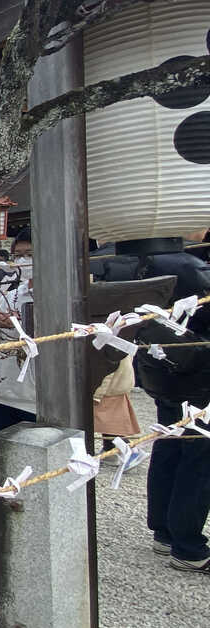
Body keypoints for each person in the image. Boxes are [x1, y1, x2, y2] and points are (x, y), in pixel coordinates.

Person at [121, 241, 210, 573]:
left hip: (162, 370)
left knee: (170, 445)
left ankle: (164, 530)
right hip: (198, 374)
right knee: (198, 459)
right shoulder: (192, 267)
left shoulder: (137, 262)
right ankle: (187, 545)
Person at [0, 229, 36, 433]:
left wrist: (17, 326)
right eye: (18, 255)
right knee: (0, 453)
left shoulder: (61, 296)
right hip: (5, 392)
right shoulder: (9, 296)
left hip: (38, 395)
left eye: (30, 254)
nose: (23, 260)